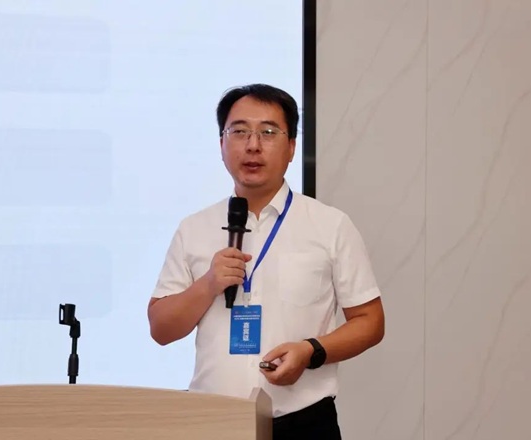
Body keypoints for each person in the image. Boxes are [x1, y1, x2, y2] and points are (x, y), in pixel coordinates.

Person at [147, 83, 385, 440]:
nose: (253, 145)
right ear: (221, 144)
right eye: (239, 131)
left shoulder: (329, 225)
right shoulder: (194, 228)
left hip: (303, 424)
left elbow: (370, 321)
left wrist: (310, 351)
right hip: (212, 422)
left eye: (269, 132)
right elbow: (161, 329)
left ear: (291, 147)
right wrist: (208, 285)